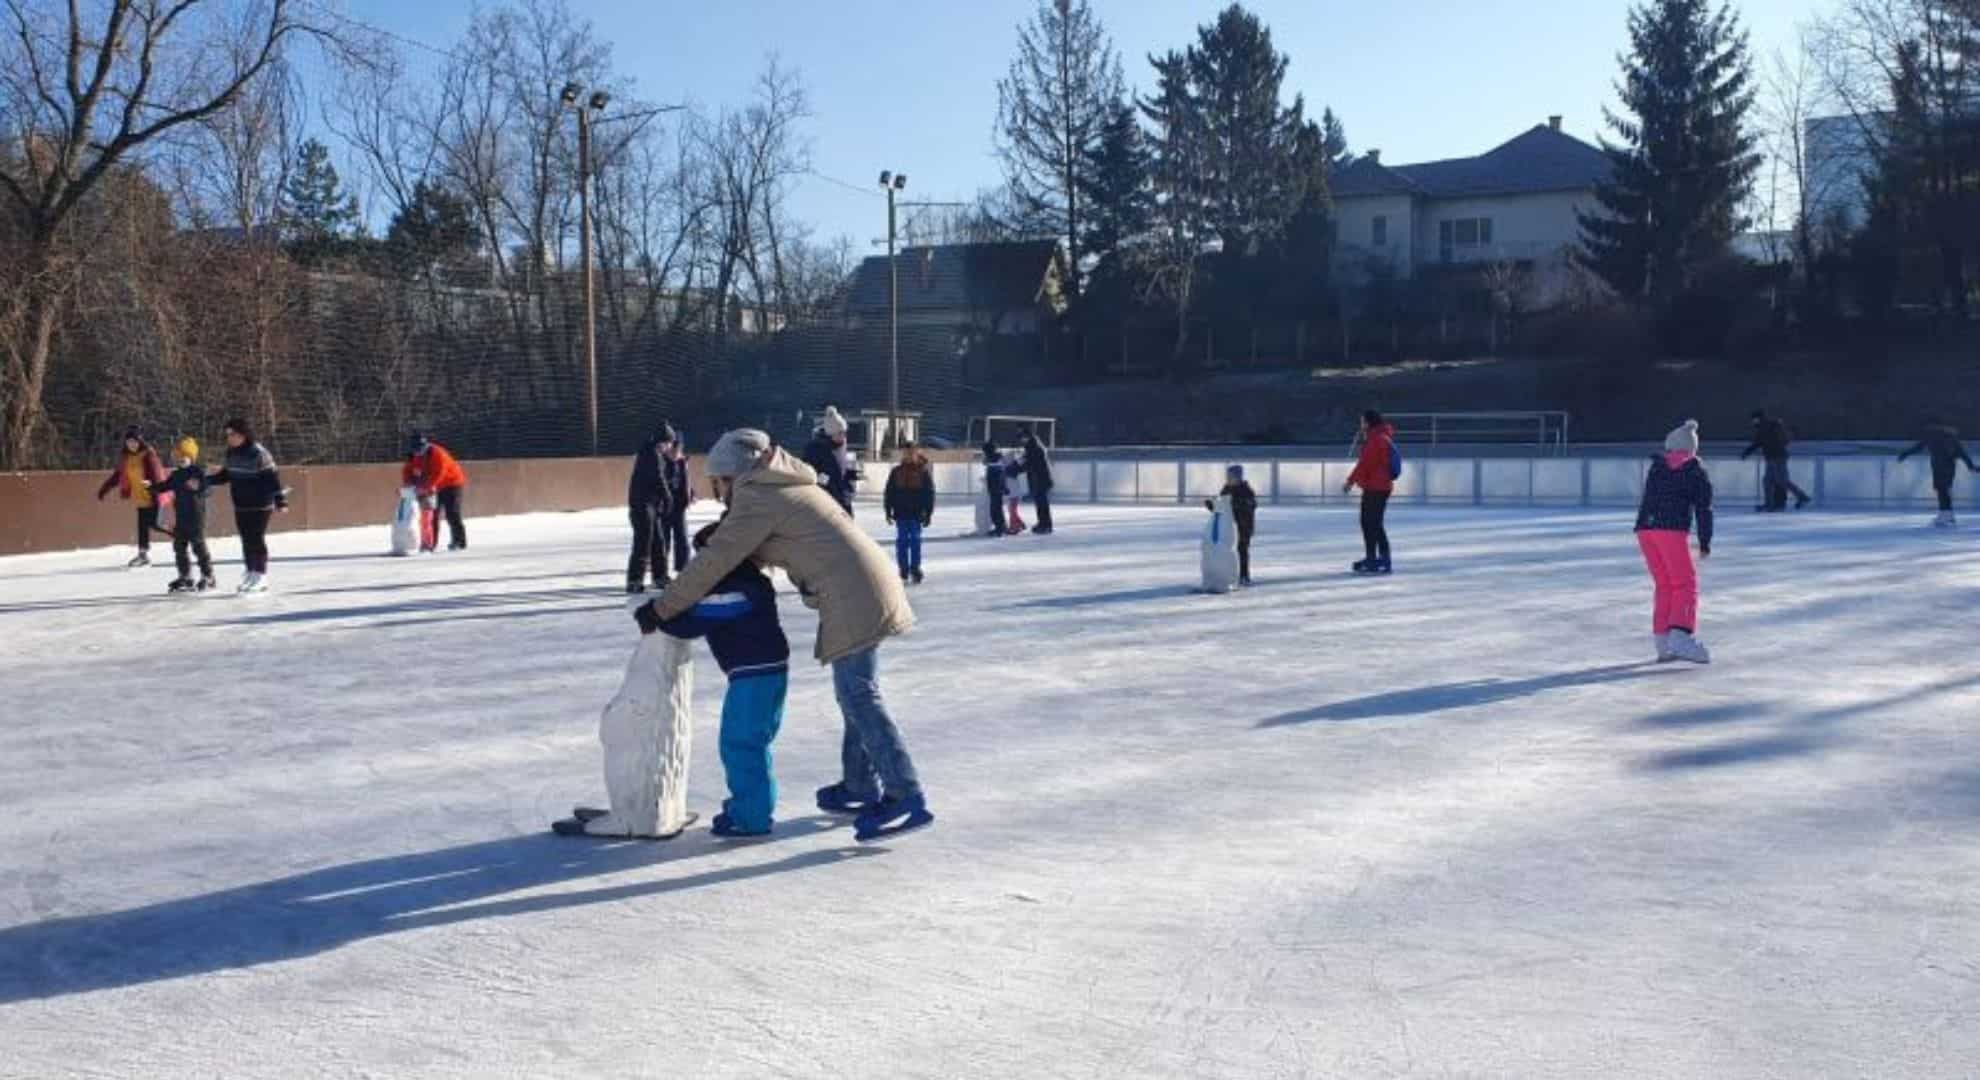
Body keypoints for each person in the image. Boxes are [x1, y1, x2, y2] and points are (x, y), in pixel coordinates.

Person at [641, 429, 933, 841]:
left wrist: (661, 608)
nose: (719, 492)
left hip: (853, 594)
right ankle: (860, 784)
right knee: (855, 692)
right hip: (866, 584)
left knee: (859, 695)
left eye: (719, 483)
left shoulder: (758, 495)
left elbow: (714, 563)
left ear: (732, 475)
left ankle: (904, 793)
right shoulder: (781, 484)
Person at [636, 521, 790, 838]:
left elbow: (694, 620)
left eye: (705, 556)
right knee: (753, 744)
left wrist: (658, 616)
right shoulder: (746, 583)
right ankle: (752, 808)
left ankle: (752, 817)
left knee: (741, 743)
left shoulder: (737, 589)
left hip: (755, 675)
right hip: (766, 672)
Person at [1636, 420, 1715, 664]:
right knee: (1685, 584)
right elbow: (1704, 508)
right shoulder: (1694, 469)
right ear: (1692, 449)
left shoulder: (1657, 467)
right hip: (1670, 530)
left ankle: (1662, 642)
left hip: (1645, 529)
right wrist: (1704, 541)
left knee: (1665, 584)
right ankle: (1680, 635)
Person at [207, 418, 287, 593]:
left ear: (243, 435)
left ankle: (261, 575)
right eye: (227, 434)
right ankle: (251, 571)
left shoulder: (259, 453)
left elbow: (272, 477)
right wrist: (206, 480)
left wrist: (280, 500)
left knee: (256, 538)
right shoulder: (231, 453)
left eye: (233, 434)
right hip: (241, 503)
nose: (229, 438)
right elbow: (225, 475)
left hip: (260, 503)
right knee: (246, 539)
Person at [148, 436, 216, 593]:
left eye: (184, 457)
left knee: (199, 547)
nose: (180, 460)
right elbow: (165, 486)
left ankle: (208, 576)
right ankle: (185, 576)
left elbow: (208, 489)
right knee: (179, 547)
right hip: (181, 517)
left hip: (197, 517)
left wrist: (199, 486)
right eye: (177, 457)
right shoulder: (176, 475)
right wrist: (151, 487)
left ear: (191, 457)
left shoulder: (199, 472)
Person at [96, 426, 169, 567]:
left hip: (153, 495)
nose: (131, 444)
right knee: (142, 527)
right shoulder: (126, 458)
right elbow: (118, 475)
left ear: (140, 441)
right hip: (140, 497)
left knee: (155, 524)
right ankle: (143, 556)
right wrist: (105, 489)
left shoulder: (148, 455)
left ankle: (181, 535)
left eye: (134, 441)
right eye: (129, 442)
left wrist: (154, 488)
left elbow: (156, 474)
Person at [625, 421, 679, 593]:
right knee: (643, 542)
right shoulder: (650, 453)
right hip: (642, 506)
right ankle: (634, 580)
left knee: (658, 541)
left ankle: (660, 577)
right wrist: (667, 496)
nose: (670, 447)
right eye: (669, 443)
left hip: (651, 505)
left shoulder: (655, 453)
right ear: (662, 441)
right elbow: (657, 477)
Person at [1897, 418, 1977, 527]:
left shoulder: (1932, 436)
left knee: (1942, 490)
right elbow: (1962, 453)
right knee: (1943, 490)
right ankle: (1947, 515)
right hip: (1948, 468)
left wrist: (1905, 454)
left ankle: (1945, 515)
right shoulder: (1950, 438)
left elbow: (1919, 447)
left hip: (1941, 467)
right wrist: (1970, 466)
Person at [1345, 410, 1397, 574]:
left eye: (1362, 421)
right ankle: (1378, 558)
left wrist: (1350, 481)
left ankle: (1375, 559)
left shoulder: (1376, 440)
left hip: (1376, 488)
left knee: (1370, 523)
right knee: (1373, 523)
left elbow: (1364, 464)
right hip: (1378, 487)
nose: (1361, 425)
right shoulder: (1380, 437)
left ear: (1368, 422)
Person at [403, 432, 468, 552]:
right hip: (432, 486)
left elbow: (439, 474)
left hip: (452, 483)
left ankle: (459, 541)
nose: (418, 451)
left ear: (426, 445)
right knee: (432, 515)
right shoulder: (413, 456)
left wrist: (426, 487)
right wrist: (408, 484)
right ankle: (430, 544)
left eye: (421, 447)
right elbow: (408, 471)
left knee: (452, 513)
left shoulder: (438, 454)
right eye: (416, 448)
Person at [883, 440, 936, 584]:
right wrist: (888, 510)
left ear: (917, 453)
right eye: (906, 453)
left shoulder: (923, 472)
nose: (909, 455)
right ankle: (903, 568)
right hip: (901, 512)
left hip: (916, 513)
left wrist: (928, 512)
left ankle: (915, 568)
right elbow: (889, 492)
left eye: (911, 453)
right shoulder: (896, 472)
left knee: (915, 540)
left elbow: (929, 493)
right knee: (902, 541)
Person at [1742, 409, 1810, 512]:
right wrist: (1747, 452)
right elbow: (1758, 443)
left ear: (1758, 419)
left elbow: (1760, 443)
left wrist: (1747, 452)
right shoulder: (1765, 427)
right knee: (1768, 481)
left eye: (1754, 420)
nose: (1753, 422)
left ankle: (1802, 497)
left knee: (1781, 480)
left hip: (1777, 457)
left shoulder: (1767, 427)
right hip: (1773, 458)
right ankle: (1769, 504)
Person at [802, 406, 857, 515]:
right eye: (840, 433)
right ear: (830, 434)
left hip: (842, 497)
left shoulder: (842, 446)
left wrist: (850, 475)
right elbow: (807, 470)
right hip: (824, 499)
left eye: (844, 432)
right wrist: (822, 479)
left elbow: (841, 469)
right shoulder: (815, 448)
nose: (844, 436)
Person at [1210, 464, 1258, 586]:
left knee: (1241, 550)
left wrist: (1238, 504)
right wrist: (1212, 505)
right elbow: (1221, 506)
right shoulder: (1226, 489)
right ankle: (1228, 575)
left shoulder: (1246, 490)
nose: (1229, 479)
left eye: (1232, 476)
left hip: (1243, 526)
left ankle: (1243, 576)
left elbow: (1251, 505)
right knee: (1227, 551)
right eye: (1228, 476)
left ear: (1238, 477)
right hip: (1229, 527)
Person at [659, 434, 693, 572]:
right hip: (664, 506)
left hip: (679, 506)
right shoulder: (661, 463)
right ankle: (661, 569)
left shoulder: (682, 462)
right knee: (664, 539)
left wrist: (691, 494)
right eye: (673, 450)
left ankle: (683, 567)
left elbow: (685, 482)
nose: (676, 453)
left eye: (678, 450)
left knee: (682, 538)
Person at [1020, 426, 1055, 534]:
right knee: (1040, 503)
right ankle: (1042, 523)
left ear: (1027, 437)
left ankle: (1046, 525)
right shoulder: (1034, 445)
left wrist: (1016, 469)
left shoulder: (1033, 447)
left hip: (1041, 479)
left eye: (1022, 438)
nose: (1021, 440)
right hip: (1040, 479)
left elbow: (1030, 463)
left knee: (1042, 503)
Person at [982, 441, 1010, 536]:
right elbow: (1002, 477)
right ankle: (1002, 527)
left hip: (995, 490)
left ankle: (999, 528)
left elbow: (996, 478)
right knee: (997, 509)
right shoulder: (998, 462)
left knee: (995, 510)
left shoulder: (993, 464)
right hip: (998, 489)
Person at [1003, 453, 1029, 535]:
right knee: (1012, 510)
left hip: (1013, 494)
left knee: (1012, 510)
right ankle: (1020, 524)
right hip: (1013, 494)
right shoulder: (1010, 470)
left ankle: (1014, 527)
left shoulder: (1010, 470)